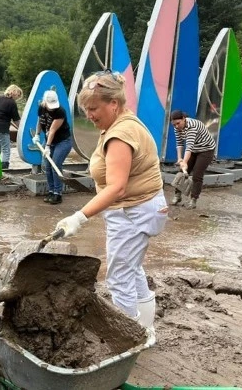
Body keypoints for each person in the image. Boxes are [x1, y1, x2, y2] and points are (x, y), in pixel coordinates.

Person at [54, 71, 167, 329]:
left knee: (119, 279)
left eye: (94, 108)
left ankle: (128, 339)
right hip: (144, 208)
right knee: (132, 268)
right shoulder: (123, 122)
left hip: (132, 211)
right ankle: (145, 330)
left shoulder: (120, 134)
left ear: (113, 104)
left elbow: (117, 187)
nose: (90, 115)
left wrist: (79, 217)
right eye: (86, 110)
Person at [169, 110, 217, 209]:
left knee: (197, 175)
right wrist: (180, 159)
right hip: (194, 149)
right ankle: (177, 196)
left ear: (183, 119)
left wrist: (185, 162)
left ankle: (193, 200)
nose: (176, 126)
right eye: (174, 125)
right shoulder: (176, 128)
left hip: (206, 149)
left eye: (178, 123)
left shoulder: (192, 126)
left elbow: (189, 146)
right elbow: (179, 143)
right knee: (181, 172)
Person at [35, 89, 72, 204]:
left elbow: (52, 130)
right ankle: (51, 191)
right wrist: (36, 134)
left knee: (55, 164)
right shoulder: (41, 107)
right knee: (47, 166)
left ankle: (58, 194)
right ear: (45, 102)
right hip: (50, 142)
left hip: (63, 141)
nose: (52, 107)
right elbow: (40, 121)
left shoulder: (60, 111)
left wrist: (47, 146)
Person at [0, 85, 22, 170]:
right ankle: (4, 167)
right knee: (6, 148)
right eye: (18, 95)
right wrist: (21, 129)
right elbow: (16, 119)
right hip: (3, 128)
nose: (18, 97)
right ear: (14, 92)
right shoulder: (12, 103)